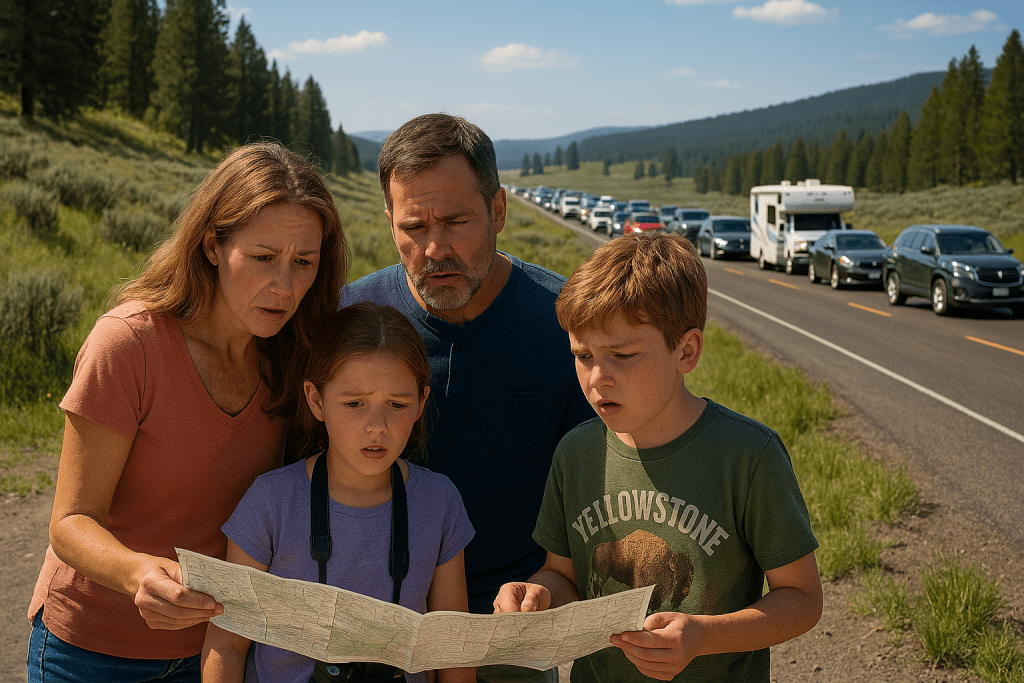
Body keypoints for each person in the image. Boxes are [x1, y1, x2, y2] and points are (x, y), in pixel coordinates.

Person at [26, 142, 347, 683]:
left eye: (304, 263)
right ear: (212, 245)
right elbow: (70, 523)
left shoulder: (297, 355)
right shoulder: (129, 344)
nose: (286, 286)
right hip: (93, 650)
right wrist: (136, 573)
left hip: (223, 652)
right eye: (264, 258)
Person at [493, 232, 823, 682]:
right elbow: (563, 576)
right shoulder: (576, 453)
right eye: (582, 355)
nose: (597, 378)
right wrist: (537, 597)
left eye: (623, 355)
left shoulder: (748, 456)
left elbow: (802, 598)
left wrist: (703, 636)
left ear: (685, 351)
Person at [339, 113, 594, 683]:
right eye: (413, 227)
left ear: (498, 210)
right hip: (372, 622)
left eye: (456, 222)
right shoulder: (350, 323)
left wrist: (546, 593)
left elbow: (592, 499)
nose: (434, 249)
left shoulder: (567, 329)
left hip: (509, 630)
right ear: (389, 221)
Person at [202, 302, 476, 683]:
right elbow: (227, 644)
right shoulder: (271, 503)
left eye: (397, 404)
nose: (376, 426)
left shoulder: (440, 503)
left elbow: (453, 650)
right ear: (316, 400)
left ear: (421, 404)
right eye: (354, 404)